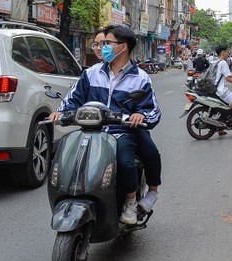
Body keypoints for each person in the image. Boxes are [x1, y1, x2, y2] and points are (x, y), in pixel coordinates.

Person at [50, 25, 163, 224]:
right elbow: (74, 98)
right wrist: (61, 111)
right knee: (62, 153)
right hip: (91, 131)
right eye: (101, 43)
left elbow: (152, 110)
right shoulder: (92, 73)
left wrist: (140, 115)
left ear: (123, 47)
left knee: (125, 161)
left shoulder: (140, 78)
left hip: (121, 132)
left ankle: (130, 201)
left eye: (107, 43)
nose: (102, 47)